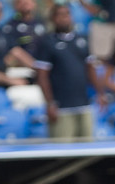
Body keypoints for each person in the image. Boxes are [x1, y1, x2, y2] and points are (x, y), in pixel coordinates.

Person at [35, 3, 104, 139]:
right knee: (63, 148)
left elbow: (90, 68)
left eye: (66, 14)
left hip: (84, 104)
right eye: (59, 15)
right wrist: (50, 103)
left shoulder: (82, 39)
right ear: (53, 18)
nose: (63, 18)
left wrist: (100, 93)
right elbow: (42, 76)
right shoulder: (47, 42)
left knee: (87, 146)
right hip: (62, 107)